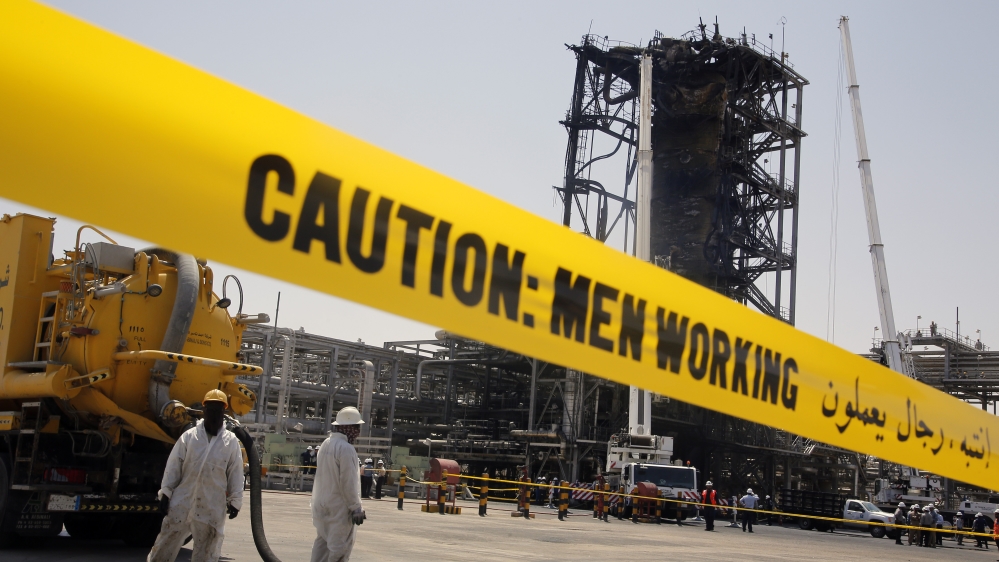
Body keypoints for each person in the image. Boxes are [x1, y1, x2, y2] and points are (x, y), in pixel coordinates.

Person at [147, 390, 243, 562]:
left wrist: (235, 501)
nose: (214, 413)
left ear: (224, 412)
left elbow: (235, 472)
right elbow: (174, 466)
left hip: (211, 507)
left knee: (206, 553)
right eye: (211, 408)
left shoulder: (230, 442)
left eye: (218, 409)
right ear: (204, 411)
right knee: (163, 549)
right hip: (182, 503)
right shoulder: (190, 437)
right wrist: (166, 492)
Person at [311, 406, 366, 562]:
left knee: (322, 545)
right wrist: (355, 507)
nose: (357, 431)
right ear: (347, 427)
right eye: (356, 427)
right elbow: (348, 482)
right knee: (339, 549)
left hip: (321, 505)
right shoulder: (346, 449)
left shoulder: (325, 444)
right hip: (339, 509)